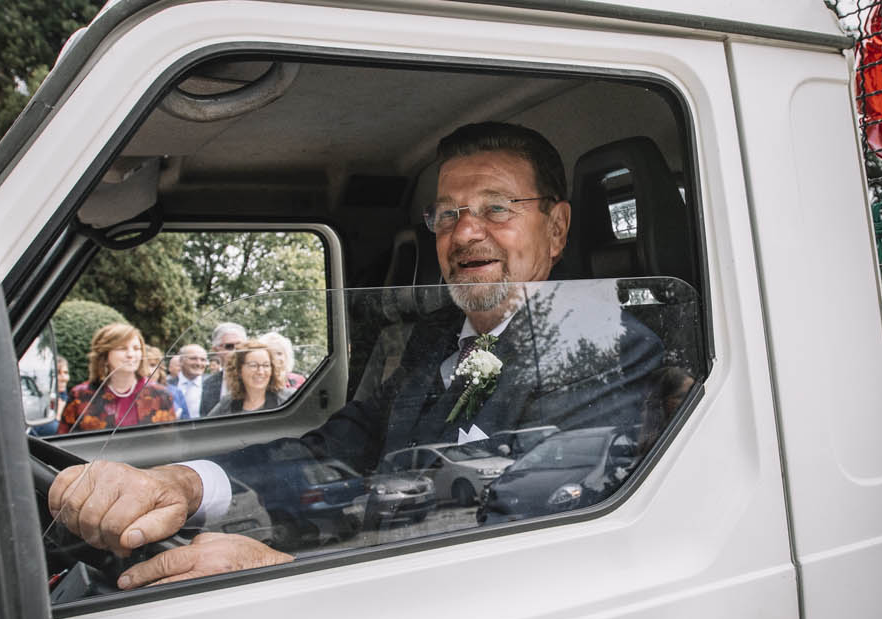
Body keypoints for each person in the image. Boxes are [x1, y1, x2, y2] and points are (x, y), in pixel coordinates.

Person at [48, 121, 662, 586]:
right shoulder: (435, 338)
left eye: (497, 209)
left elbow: (516, 549)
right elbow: (340, 450)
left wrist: (279, 569)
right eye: (447, 214)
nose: (466, 233)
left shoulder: (603, 345)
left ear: (556, 229)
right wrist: (187, 483)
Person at [58, 323, 179, 434]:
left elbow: (171, 445)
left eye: (136, 348)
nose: (131, 354)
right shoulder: (80, 395)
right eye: (122, 348)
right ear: (104, 355)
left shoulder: (160, 395)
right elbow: (63, 444)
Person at [214, 341, 288, 415]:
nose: (260, 372)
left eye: (266, 365)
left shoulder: (287, 400)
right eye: (253, 365)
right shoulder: (227, 405)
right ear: (239, 370)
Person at [168, 343, 214, 418]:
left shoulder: (213, 384)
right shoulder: (168, 386)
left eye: (203, 360)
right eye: (193, 359)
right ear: (181, 361)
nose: (199, 363)